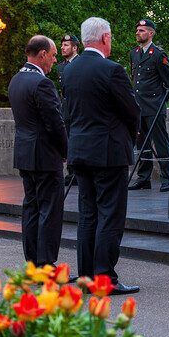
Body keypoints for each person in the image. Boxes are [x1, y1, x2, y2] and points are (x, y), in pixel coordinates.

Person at [61, 17, 141, 295]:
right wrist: (130, 139)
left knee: (88, 215)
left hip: (80, 152)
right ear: (105, 38)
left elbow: (69, 114)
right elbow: (132, 111)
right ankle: (105, 278)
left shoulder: (69, 71)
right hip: (108, 153)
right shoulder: (112, 70)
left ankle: (86, 277)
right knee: (110, 215)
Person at [8, 35, 67, 266]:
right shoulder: (42, 83)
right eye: (53, 56)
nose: (54, 61)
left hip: (24, 154)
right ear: (42, 54)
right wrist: (65, 150)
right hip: (44, 155)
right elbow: (55, 123)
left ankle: (32, 263)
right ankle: (46, 265)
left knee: (31, 209)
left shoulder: (16, 80)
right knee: (49, 211)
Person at [128, 19, 169, 192]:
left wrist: (159, 100)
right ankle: (143, 178)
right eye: (137, 30)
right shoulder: (134, 53)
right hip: (138, 107)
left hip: (154, 106)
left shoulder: (158, 54)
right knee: (142, 146)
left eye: (141, 30)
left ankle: (167, 178)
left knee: (161, 144)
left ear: (151, 33)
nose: (138, 33)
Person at [58, 34, 80, 187]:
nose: (62, 48)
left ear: (75, 48)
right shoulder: (61, 66)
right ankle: (71, 173)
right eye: (62, 45)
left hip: (79, 108)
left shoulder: (80, 63)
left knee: (78, 140)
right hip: (66, 109)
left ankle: (79, 173)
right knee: (69, 142)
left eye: (66, 45)